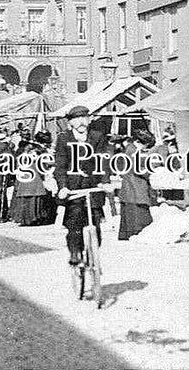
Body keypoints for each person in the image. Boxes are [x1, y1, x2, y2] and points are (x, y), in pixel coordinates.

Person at [54, 105, 110, 265]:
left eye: (84, 118)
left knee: (96, 225)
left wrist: (104, 182)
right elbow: (60, 165)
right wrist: (63, 187)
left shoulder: (97, 137)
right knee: (75, 223)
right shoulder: (64, 138)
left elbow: (103, 161)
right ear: (70, 123)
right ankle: (75, 253)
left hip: (93, 188)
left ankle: (92, 257)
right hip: (73, 190)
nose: (81, 122)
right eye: (76, 119)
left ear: (89, 120)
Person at [118, 130, 157, 239]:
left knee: (131, 217)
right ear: (138, 142)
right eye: (145, 145)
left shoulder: (131, 149)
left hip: (132, 189)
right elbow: (138, 169)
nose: (145, 148)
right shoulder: (132, 150)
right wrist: (151, 173)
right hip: (134, 188)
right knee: (138, 218)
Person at [11, 133, 55, 226]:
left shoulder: (27, 150)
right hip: (35, 178)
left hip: (26, 177)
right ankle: (35, 218)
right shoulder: (40, 151)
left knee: (27, 199)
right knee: (35, 199)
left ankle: (25, 219)